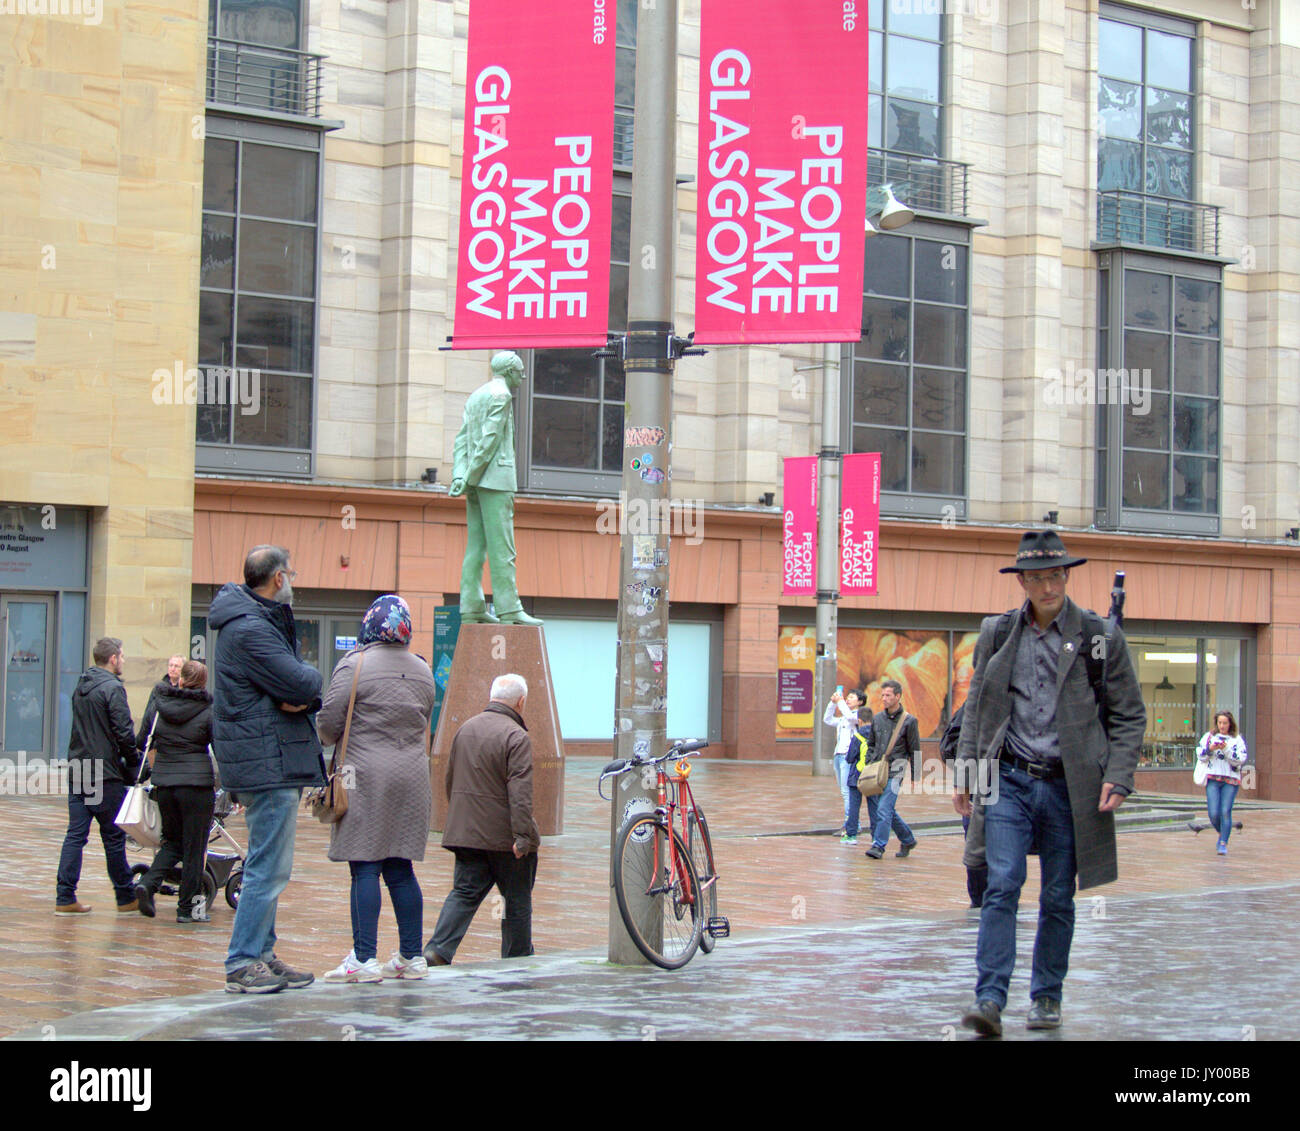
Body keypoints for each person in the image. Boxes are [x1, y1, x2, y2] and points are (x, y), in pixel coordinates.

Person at [953, 530, 1145, 1036]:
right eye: (1035, 577)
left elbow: (1129, 716)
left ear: (1066, 576)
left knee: (1059, 896)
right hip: (1009, 780)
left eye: (1054, 575)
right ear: (1023, 582)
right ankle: (990, 999)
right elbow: (978, 708)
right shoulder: (997, 633)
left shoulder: (1100, 636)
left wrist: (1120, 777)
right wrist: (967, 774)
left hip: (1071, 787)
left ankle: (1046, 997)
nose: (1046, 586)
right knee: (1001, 885)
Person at [209, 545, 325, 994]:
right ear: (278, 578)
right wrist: (308, 684)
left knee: (272, 864)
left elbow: (296, 688)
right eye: (291, 573)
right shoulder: (250, 629)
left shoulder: (254, 621)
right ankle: (243, 962)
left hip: (269, 757)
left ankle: (262, 954)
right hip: (266, 761)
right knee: (267, 866)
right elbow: (302, 681)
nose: (293, 581)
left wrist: (301, 692)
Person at [317, 596, 437, 983]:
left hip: (361, 773)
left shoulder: (355, 663)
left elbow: (329, 724)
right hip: (413, 776)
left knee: (364, 863)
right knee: (400, 866)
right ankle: (411, 957)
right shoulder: (422, 669)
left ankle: (363, 959)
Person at [424, 673, 541, 965]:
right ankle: (517, 958)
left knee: (463, 894)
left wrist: (463, 822)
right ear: (521, 702)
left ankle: (437, 950)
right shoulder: (517, 736)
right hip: (505, 839)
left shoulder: (465, 729)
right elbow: (520, 792)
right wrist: (524, 837)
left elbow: (450, 780)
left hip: (467, 834)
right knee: (516, 901)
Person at [450, 351, 542, 626]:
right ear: (510, 371)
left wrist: (460, 476)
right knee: (503, 548)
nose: (523, 377)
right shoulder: (501, 396)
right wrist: (470, 477)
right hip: (494, 480)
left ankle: (471, 606)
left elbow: (461, 441)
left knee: (475, 547)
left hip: (475, 481)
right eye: (520, 371)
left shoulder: (476, 396)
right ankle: (509, 608)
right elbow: (488, 442)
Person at [55, 637, 140, 914]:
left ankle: (65, 897)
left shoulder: (82, 685)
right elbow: (124, 732)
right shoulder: (113, 688)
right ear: (113, 658)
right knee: (113, 837)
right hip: (103, 772)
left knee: (75, 835)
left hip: (79, 767)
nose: (123, 661)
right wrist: (135, 760)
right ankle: (126, 897)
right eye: (123, 656)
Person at [133, 660, 216, 923]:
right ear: (202, 683)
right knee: (194, 848)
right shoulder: (209, 709)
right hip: (196, 786)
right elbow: (221, 748)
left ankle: (148, 883)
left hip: (165, 784)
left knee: (172, 842)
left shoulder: (159, 705)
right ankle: (186, 909)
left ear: (180, 680)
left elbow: (141, 740)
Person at [860, 679, 920, 860]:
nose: (884, 698)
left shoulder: (909, 721)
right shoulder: (877, 719)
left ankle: (879, 846)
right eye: (883, 695)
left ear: (898, 696)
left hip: (896, 770)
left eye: (888, 695)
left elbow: (914, 748)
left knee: (884, 808)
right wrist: (869, 762)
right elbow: (871, 744)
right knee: (886, 809)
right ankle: (907, 839)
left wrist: (915, 775)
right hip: (877, 770)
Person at [939, 701, 987, 909]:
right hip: (981, 787)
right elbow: (951, 743)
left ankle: (999, 899)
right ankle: (980, 902)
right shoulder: (978, 701)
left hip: (1014, 789)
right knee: (977, 850)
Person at [1197, 710, 1247, 856]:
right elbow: (1201, 755)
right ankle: (1222, 832)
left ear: (1230, 723)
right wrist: (1210, 749)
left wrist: (1226, 749)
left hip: (1230, 780)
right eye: (1220, 723)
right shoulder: (1209, 736)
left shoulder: (1236, 739)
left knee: (1225, 811)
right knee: (1213, 813)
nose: (1222, 726)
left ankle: (1223, 842)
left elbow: (1240, 759)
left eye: (1225, 723)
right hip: (1213, 778)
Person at [823, 688, 864, 841]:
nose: (848, 699)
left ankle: (851, 823)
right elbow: (827, 719)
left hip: (848, 756)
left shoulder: (857, 715)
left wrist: (840, 702)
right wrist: (832, 703)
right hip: (838, 755)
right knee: (843, 790)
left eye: (852, 697)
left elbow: (849, 716)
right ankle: (854, 822)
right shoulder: (842, 719)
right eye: (847, 697)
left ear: (860, 702)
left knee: (847, 791)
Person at [135, 654, 186, 755]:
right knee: (97, 769)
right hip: (159, 740)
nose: (173, 668)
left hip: (178, 741)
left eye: (176, 666)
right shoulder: (159, 688)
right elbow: (148, 714)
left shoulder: (186, 690)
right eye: (170, 665)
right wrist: (142, 742)